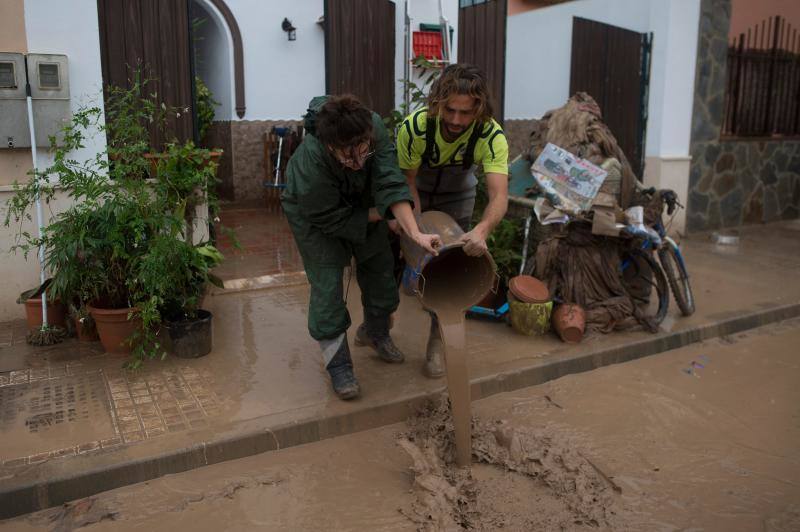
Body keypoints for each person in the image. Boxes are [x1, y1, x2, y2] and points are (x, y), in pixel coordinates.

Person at [282, 95, 440, 400]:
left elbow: (391, 182)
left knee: (381, 270)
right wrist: (383, 213)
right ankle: (339, 365)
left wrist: (415, 233)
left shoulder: (374, 127)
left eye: (362, 152)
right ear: (328, 145)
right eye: (346, 156)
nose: (356, 163)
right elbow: (328, 217)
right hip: (316, 218)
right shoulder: (309, 164)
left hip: (364, 202)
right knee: (327, 287)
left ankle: (374, 333)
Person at [396, 63, 509, 378]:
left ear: (480, 109)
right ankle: (381, 321)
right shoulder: (414, 128)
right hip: (417, 189)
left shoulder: (491, 135)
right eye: (450, 110)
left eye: (466, 113)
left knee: (450, 266)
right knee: (406, 252)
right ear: (437, 103)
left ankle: (437, 340)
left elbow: (499, 195)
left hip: (458, 195)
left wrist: (482, 230)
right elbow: (407, 181)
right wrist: (416, 230)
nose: (457, 121)